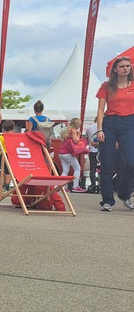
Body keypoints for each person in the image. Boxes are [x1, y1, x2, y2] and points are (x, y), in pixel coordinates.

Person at [95, 56, 134, 211]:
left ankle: (125, 193)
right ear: (116, 70)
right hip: (110, 123)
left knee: (131, 162)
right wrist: (99, 129)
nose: (126, 68)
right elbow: (100, 110)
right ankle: (107, 200)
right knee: (107, 164)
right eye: (122, 66)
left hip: (130, 123)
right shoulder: (107, 86)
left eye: (128, 66)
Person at [57, 118, 87, 193]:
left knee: (65, 171)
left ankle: (61, 187)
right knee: (77, 168)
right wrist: (79, 135)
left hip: (62, 153)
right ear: (77, 124)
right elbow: (76, 140)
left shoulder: (67, 130)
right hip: (68, 153)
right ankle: (75, 186)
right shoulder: (73, 130)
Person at [84, 118, 100, 190]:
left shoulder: (88, 128)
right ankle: (101, 183)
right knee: (103, 168)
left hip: (91, 151)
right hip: (101, 151)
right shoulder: (102, 127)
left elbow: (87, 139)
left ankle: (93, 183)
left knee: (92, 168)